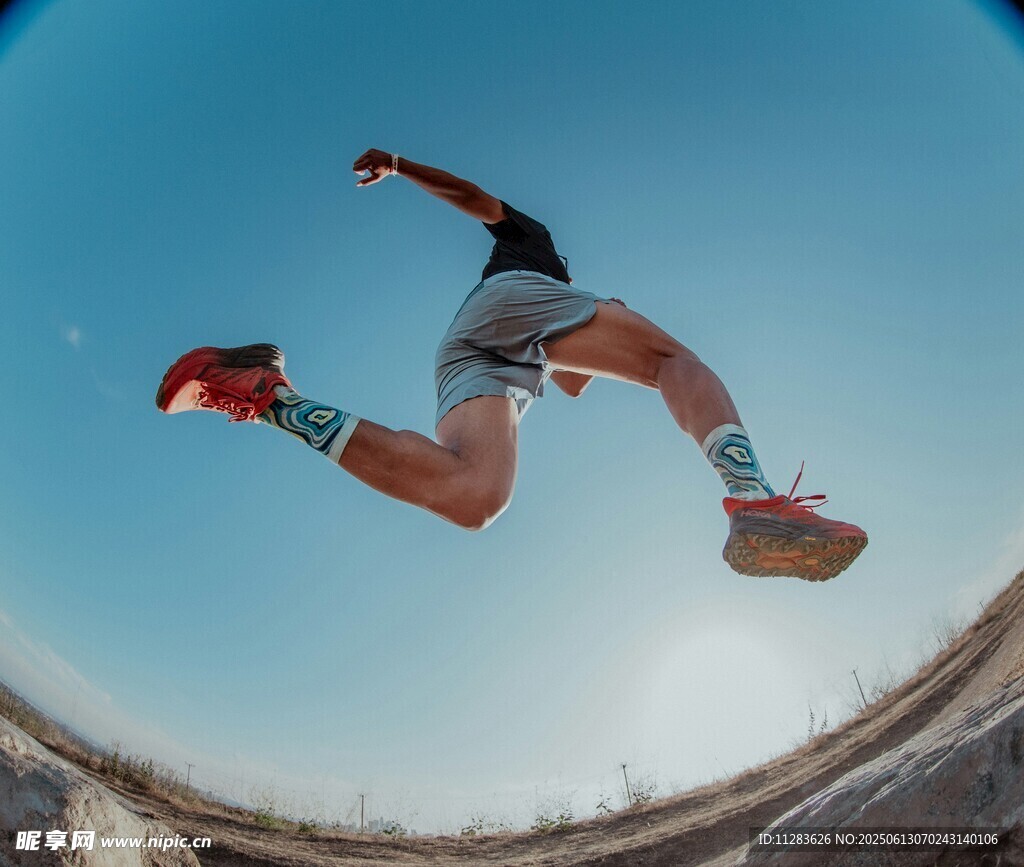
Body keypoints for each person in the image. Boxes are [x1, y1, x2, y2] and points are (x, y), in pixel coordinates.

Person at [156, 149, 867, 581]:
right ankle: (753, 495)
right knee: (672, 360)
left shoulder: (557, 317)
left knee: (475, 497)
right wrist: (400, 166)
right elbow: (475, 200)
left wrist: (606, 327)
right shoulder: (537, 248)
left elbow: (573, 379)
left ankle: (268, 393)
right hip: (507, 310)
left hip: (479, 354)